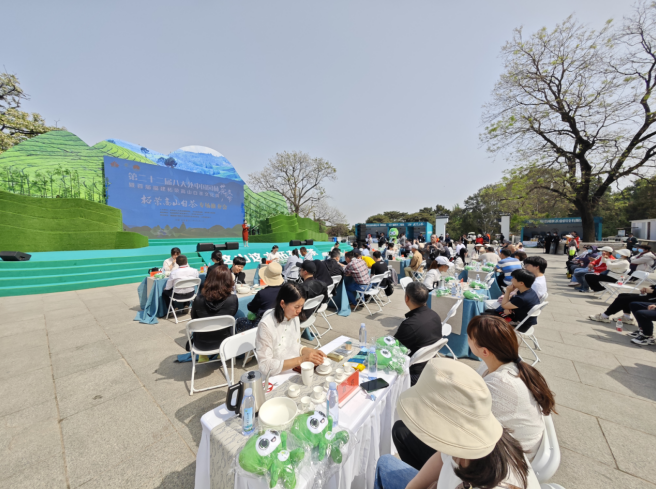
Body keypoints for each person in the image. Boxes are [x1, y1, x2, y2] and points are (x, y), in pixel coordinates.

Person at [378, 359, 540, 489]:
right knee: (385, 462)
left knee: (384, 465)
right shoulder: (470, 441)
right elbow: (442, 457)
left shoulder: (495, 483)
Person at [255, 282, 326, 378]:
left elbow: (292, 345)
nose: (299, 310)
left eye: (301, 306)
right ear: (282, 303)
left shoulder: (294, 317)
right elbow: (265, 366)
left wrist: (308, 351)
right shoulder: (266, 325)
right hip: (273, 377)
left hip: (293, 370)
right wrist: (301, 360)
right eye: (296, 307)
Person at [394, 282, 442, 386]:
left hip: (414, 374)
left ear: (407, 298)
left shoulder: (410, 325)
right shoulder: (435, 315)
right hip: (430, 365)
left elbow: (393, 350)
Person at [187, 265, 239, 353]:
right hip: (226, 342)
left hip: (201, 344)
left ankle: (203, 356)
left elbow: (194, 318)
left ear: (209, 279)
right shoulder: (233, 299)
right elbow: (233, 314)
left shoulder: (198, 299)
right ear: (229, 281)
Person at [235, 262, 284, 332]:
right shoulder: (286, 291)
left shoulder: (262, 293)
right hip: (280, 322)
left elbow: (251, 307)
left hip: (263, 324)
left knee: (239, 321)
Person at [589, 285, 656, 327]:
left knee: (624, 299)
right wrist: (650, 287)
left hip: (653, 300)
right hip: (652, 296)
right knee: (622, 295)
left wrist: (653, 291)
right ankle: (627, 317)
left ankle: (604, 316)